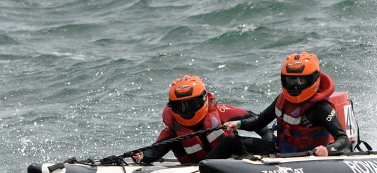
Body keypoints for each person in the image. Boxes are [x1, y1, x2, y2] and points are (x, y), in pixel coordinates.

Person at [221, 51, 350, 157]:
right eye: (290, 80)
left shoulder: (322, 108)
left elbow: (344, 140)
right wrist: (238, 124)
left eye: (300, 81)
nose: (295, 86)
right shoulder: (282, 101)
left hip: (308, 157)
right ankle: (203, 172)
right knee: (231, 142)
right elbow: (260, 121)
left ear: (314, 79)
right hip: (280, 151)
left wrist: (327, 150)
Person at [131, 75, 271, 164]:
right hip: (195, 172)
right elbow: (155, 151)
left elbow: (258, 122)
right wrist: (141, 155)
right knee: (231, 141)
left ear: (203, 99)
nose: (186, 111)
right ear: (171, 107)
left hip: (232, 164)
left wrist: (269, 143)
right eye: (180, 106)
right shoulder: (173, 131)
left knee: (233, 142)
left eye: (191, 104)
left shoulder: (221, 112)